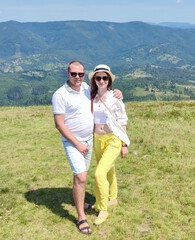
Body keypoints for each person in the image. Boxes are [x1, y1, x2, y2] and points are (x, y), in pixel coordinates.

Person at [51, 60, 122, 234]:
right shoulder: (59, 95)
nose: (77, 77)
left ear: (84, 75)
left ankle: (83, 201)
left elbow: (104, 93)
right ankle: (81, 217)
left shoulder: (85, 88)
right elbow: (59, 124)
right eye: (73, 74)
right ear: (67, 73)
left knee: (83, 176)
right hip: (74, 142)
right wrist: (77, 143)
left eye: (80, 74)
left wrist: (118, 92)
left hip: (90, 140)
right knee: (81, 176)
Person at [89, 64, 130, 225]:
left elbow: (122, 120)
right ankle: (113, 197)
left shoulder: (115, 97)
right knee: (108, 169)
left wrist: (124, 144)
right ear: (94, 80)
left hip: (113, 138)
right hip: (97, 139)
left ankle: (102, 208)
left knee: (99, 173)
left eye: (104, 77)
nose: (101, 80)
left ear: (109, 80)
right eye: (98, 77)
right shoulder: (90, 96)